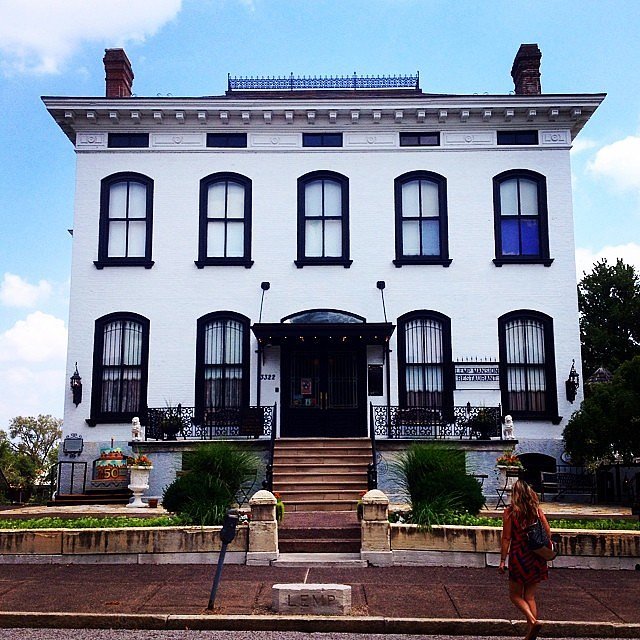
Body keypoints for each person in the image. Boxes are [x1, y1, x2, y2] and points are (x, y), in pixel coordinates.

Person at [499, 479, 551, 640]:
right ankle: (531, 634)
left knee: (514, 595)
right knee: (530, 596)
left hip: (519, 556)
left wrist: (502, 560)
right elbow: (547, 533)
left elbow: (506, 538)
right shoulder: (536, 511)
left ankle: (533, 621)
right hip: (536, 556)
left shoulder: (510, 512)